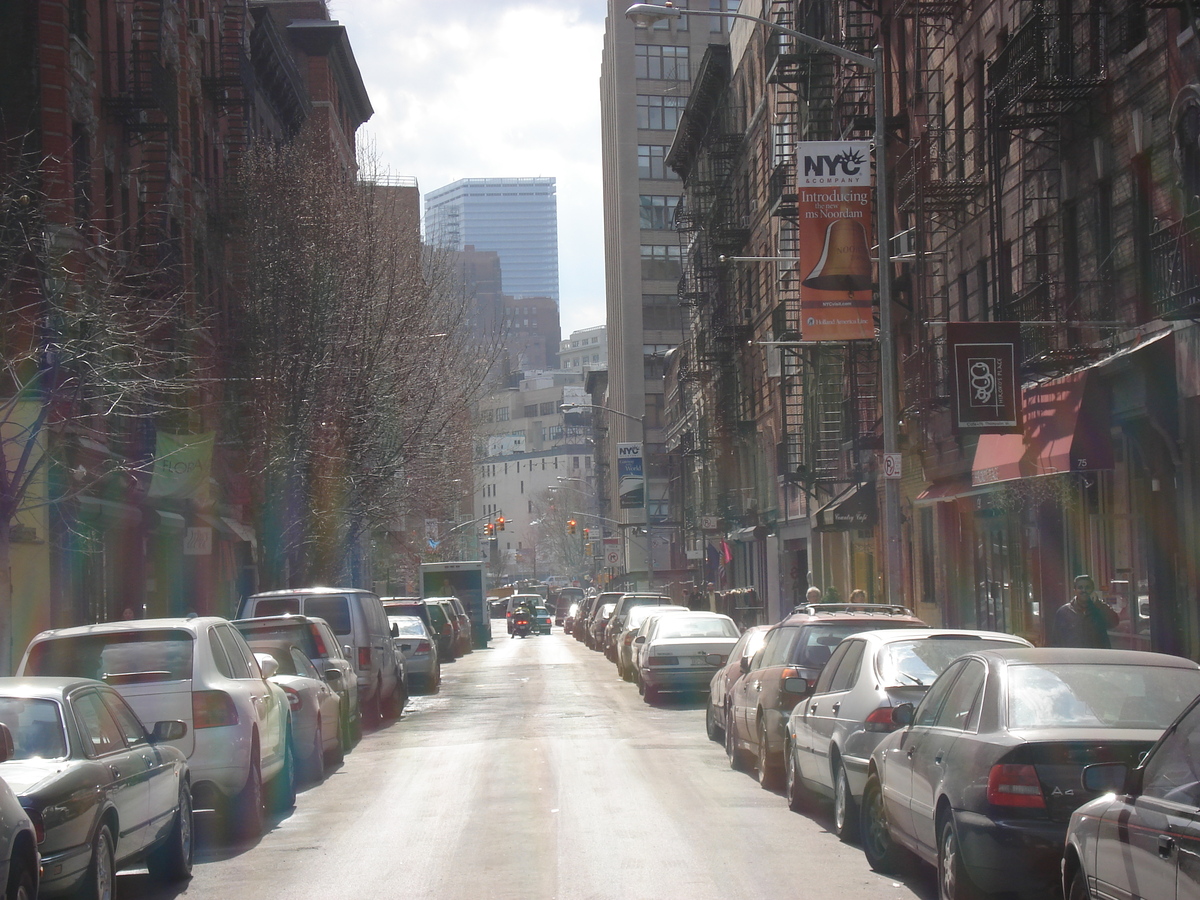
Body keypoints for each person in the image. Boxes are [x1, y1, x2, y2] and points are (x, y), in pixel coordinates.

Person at [1050, 575, 1119, 648]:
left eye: (1087, 587)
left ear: (1092, 590)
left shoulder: (1100, 609)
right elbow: (1056, 640)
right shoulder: (1064, 612)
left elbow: (1114, 622)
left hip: (1097, 657)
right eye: (1080, 588)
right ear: (1075, 590)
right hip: (1073, 657)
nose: (1084, 590)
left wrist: (1098, 603)